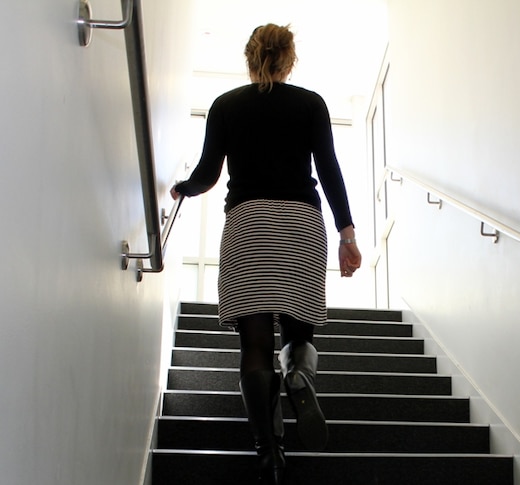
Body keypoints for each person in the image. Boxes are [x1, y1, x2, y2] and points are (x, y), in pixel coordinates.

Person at [171, 23, 362, 485]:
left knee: (254, 340)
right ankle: (299, 377)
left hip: (248, 221)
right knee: (299, 329)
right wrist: (347, 232)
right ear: (289, 58)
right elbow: (329, 169)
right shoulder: (311, 104)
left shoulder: (225, 106)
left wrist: (182, 188)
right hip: (299, 221)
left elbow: (207, 174)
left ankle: (269, 450)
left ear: (250, 57)